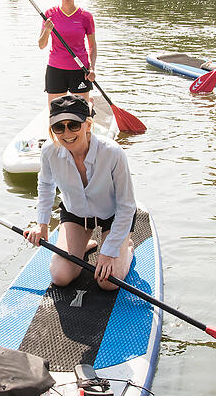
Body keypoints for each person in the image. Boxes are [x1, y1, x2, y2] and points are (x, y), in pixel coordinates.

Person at [23, 94, 136, 291]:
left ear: (88, 124)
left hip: (112, 216)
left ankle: (125, 249)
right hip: (76, 215)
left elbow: (127, 206)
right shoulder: (49, 151)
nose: (66, 133)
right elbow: (46, 186)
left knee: (108, 282)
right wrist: (42, 226)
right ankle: (83, 245)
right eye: (59, 127)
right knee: (60, 276)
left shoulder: (113, 153)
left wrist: (109, 252)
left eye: (74, 125)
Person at [38, 0, 97, 104]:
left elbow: (92, 46)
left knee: (82, 114)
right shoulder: (50, 14)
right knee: (55, 112)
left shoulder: (86, 16)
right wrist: (47, 31)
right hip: (56, 68)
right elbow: (41, 45)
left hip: (80, 69)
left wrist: (91, 68)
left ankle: (90, 103)